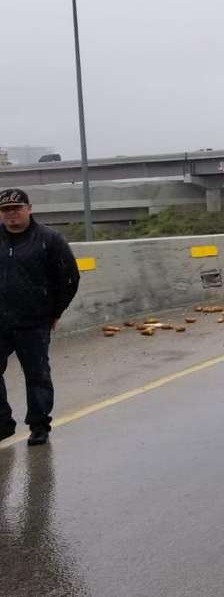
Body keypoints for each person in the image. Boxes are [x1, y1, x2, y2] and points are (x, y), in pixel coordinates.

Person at [0, 189, 80, 446]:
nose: (12, 214)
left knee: (37, 374)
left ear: (29, 209)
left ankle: (39, 425)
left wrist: (55, 311)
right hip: (0, 320)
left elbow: (69, 278)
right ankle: (2, 422)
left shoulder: (50, 239)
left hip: (33, 320)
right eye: (6, 210)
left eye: (17, 208)